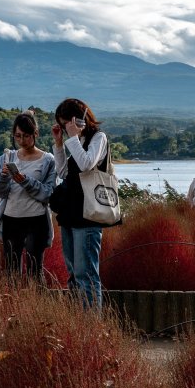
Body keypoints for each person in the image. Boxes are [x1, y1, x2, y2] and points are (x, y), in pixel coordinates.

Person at [49, 98, 113, 309]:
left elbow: (87, 165)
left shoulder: (98, 138)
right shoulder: (77, 141)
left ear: (81, 119)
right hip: (70, 211)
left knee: (86, 273)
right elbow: (63, 173)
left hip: (89, 213)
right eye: (63, 123)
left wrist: (73, 138)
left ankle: (92, 326)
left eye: (68, 122)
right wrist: (59, 144)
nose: (67, 127)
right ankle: (78, 321)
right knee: (74, 273)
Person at [0, 111, 56, 280]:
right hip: (11, 219)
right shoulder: (6, 158)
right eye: (17, 136)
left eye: (26, 136)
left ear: (36, 134)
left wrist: (25, 181)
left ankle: (37, 305)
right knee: (12, 272)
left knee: (35, 271)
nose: (21, 140)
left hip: (37, 220)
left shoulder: (48, 160)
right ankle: (15, 305)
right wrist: (3, 177)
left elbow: (48, 194)